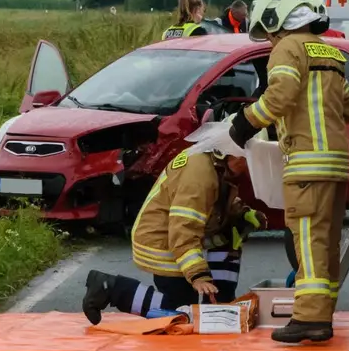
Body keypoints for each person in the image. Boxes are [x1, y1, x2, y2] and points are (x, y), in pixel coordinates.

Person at [221, 0, 349, 343]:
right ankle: (322, 313)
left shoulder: (287, 48)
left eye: (267, 34)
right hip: (336, 161)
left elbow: (279, 95)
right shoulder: (330, 52)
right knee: (326, 242)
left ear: (276, 20)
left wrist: (244, 123)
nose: (268, 42)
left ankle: (309, 318)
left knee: (308, 240)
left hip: (306, 161)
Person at [80, 136, 263, 324]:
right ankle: (109, 288)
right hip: (164, 242)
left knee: (214, 307)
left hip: (179, 236)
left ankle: (215, 309)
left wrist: (241, 214)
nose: (251, 167)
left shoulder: (214, 164)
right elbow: (184, 230)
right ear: (236, 156)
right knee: (180, 313)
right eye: (250, 160)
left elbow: (212, 202)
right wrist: (198, 275)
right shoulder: (200, 176)